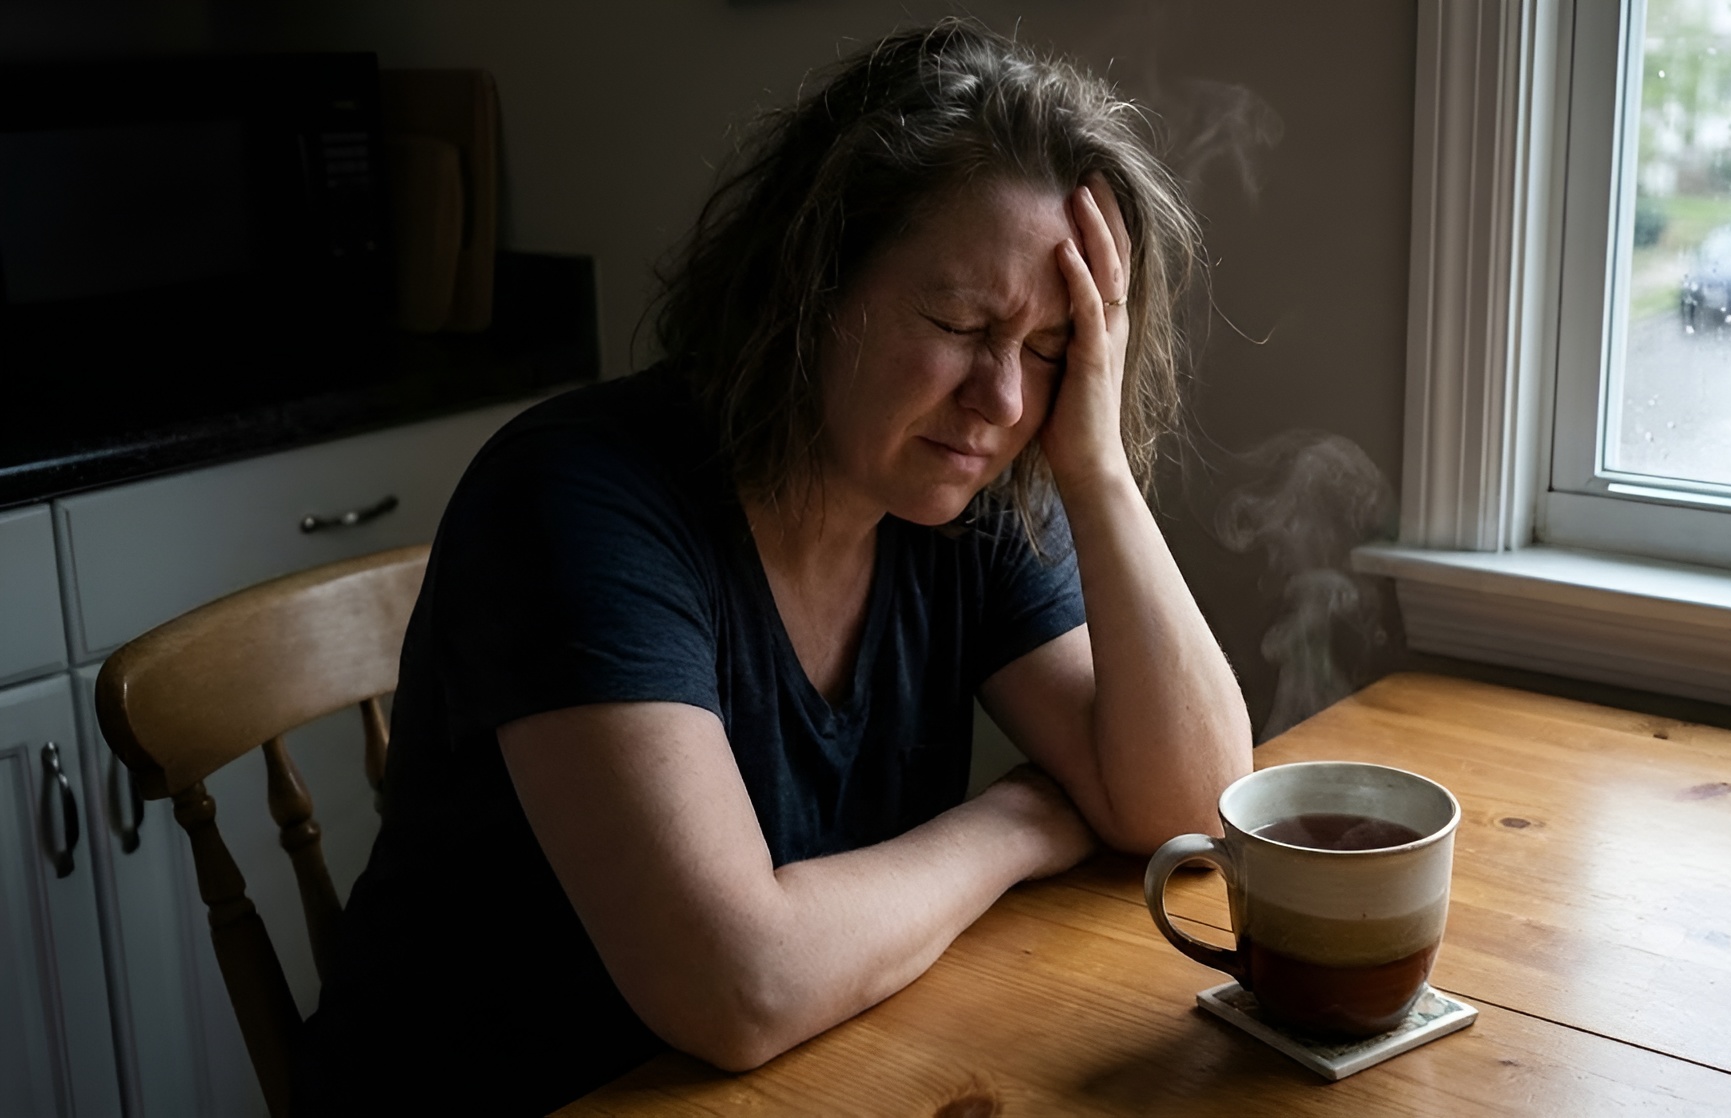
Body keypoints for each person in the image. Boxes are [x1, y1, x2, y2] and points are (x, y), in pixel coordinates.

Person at [296, 21, 1252, 1115]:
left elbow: (1191, 807)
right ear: (813, 283)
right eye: (958, 322)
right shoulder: (575, 500)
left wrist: (1096, 468)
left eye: (1048, 350)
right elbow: (739, 985)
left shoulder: (958, 493)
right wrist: (1022, 822)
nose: (999, 399)